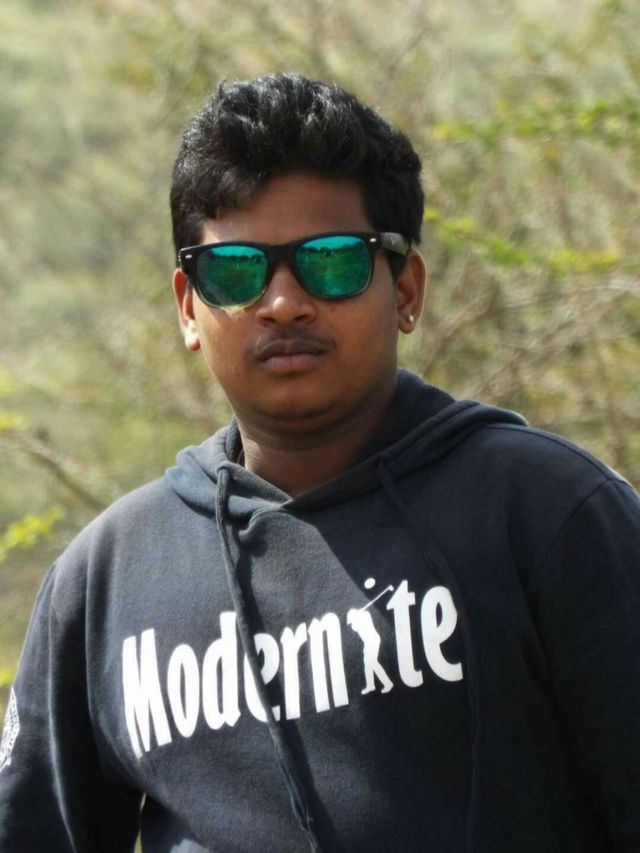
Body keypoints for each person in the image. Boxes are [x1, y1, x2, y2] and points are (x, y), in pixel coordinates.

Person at [1, 72, 639, 853]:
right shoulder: (107, 580)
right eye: (237, 270)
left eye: (331, 261)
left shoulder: (547, 513)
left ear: (406, 289)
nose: (283, 302)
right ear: (188, 306)